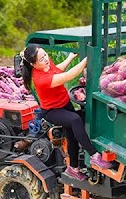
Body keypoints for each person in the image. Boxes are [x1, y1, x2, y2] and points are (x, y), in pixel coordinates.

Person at [20, 45, 113, 175]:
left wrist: (70, 58)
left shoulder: (46, 64)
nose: (46, 59)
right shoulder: (41, 80)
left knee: (72, 136)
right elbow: (69, 75)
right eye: (41, 59)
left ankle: (73, 168)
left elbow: (57, 70)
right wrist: (88, 58)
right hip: (52, 111)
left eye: (45, 55)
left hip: (64, 103)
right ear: (33, 64)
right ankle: (94, 155)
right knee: (75, 120)